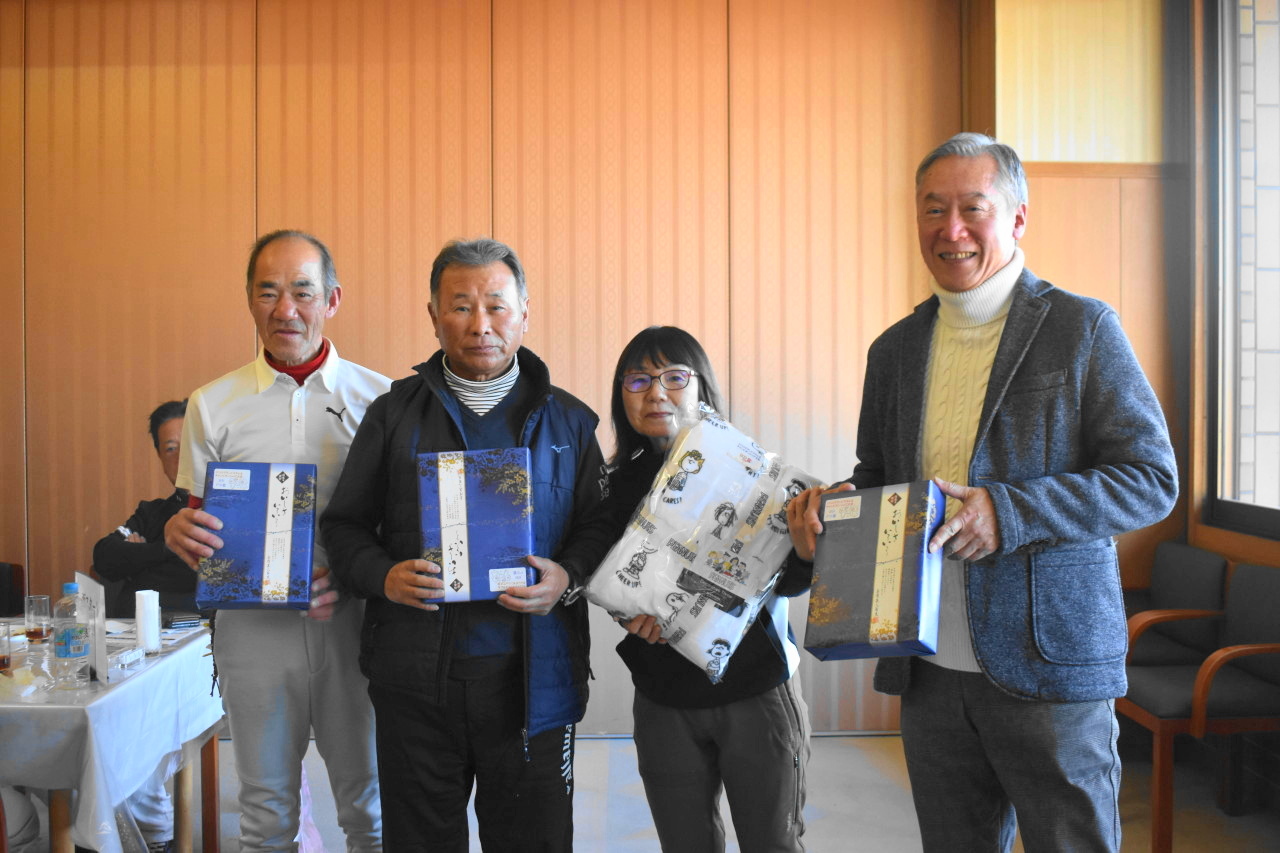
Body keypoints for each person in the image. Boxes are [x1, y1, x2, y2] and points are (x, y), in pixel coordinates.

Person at [791, 133, 1178, 852]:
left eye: (974, 207)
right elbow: (879, 477)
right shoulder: (893, 350)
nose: (952, 229)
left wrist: (1010, 510)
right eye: (933, 209)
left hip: (1049, 664)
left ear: (1018, 217)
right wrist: (833, 514)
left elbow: (1151, 478)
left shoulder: (1081, 328)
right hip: (928, 669)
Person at [321, 238, 606, 852]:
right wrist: (383, 576)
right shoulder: (391, 415)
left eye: (497, 306)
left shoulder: (571, 422)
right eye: (460, 307)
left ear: (524, 313)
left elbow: (598, 529)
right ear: (433, 315)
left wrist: (567, 576)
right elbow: (344, 527)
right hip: (416, 681)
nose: (481, 325)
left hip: (534, 683)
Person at [164, 230, 388, 852]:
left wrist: (353, 575)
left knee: (371, 806)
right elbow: (197, 516)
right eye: (268, 292)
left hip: (355, 624)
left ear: (332, 300)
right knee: (264, 814)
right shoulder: (212, 403)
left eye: (302, 292)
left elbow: (402, 527)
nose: (285, 309)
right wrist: (180, 531)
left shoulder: (381, 399)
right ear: (249, 301)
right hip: (251, 630)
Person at [577, 326, 811, 853]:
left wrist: (804, 549)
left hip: (756, 690)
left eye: (674, 377)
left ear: (702, 386)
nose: (656, 393)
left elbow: (792, 583)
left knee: (773, 842)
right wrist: (624, 612)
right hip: (662, 696)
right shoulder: (611, 487)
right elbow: (607, 577)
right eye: (638, 380)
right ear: (621, 396)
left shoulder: (753, 472)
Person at [93, 399, 196, 618]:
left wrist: (140, 562)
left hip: (201, 632)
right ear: (160, 457)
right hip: (136, 630)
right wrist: (166, 549)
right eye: (171, 449)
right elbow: (104, 556)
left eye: (189, 444)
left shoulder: (230, 510)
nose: (181, 457)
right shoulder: (151, 512)